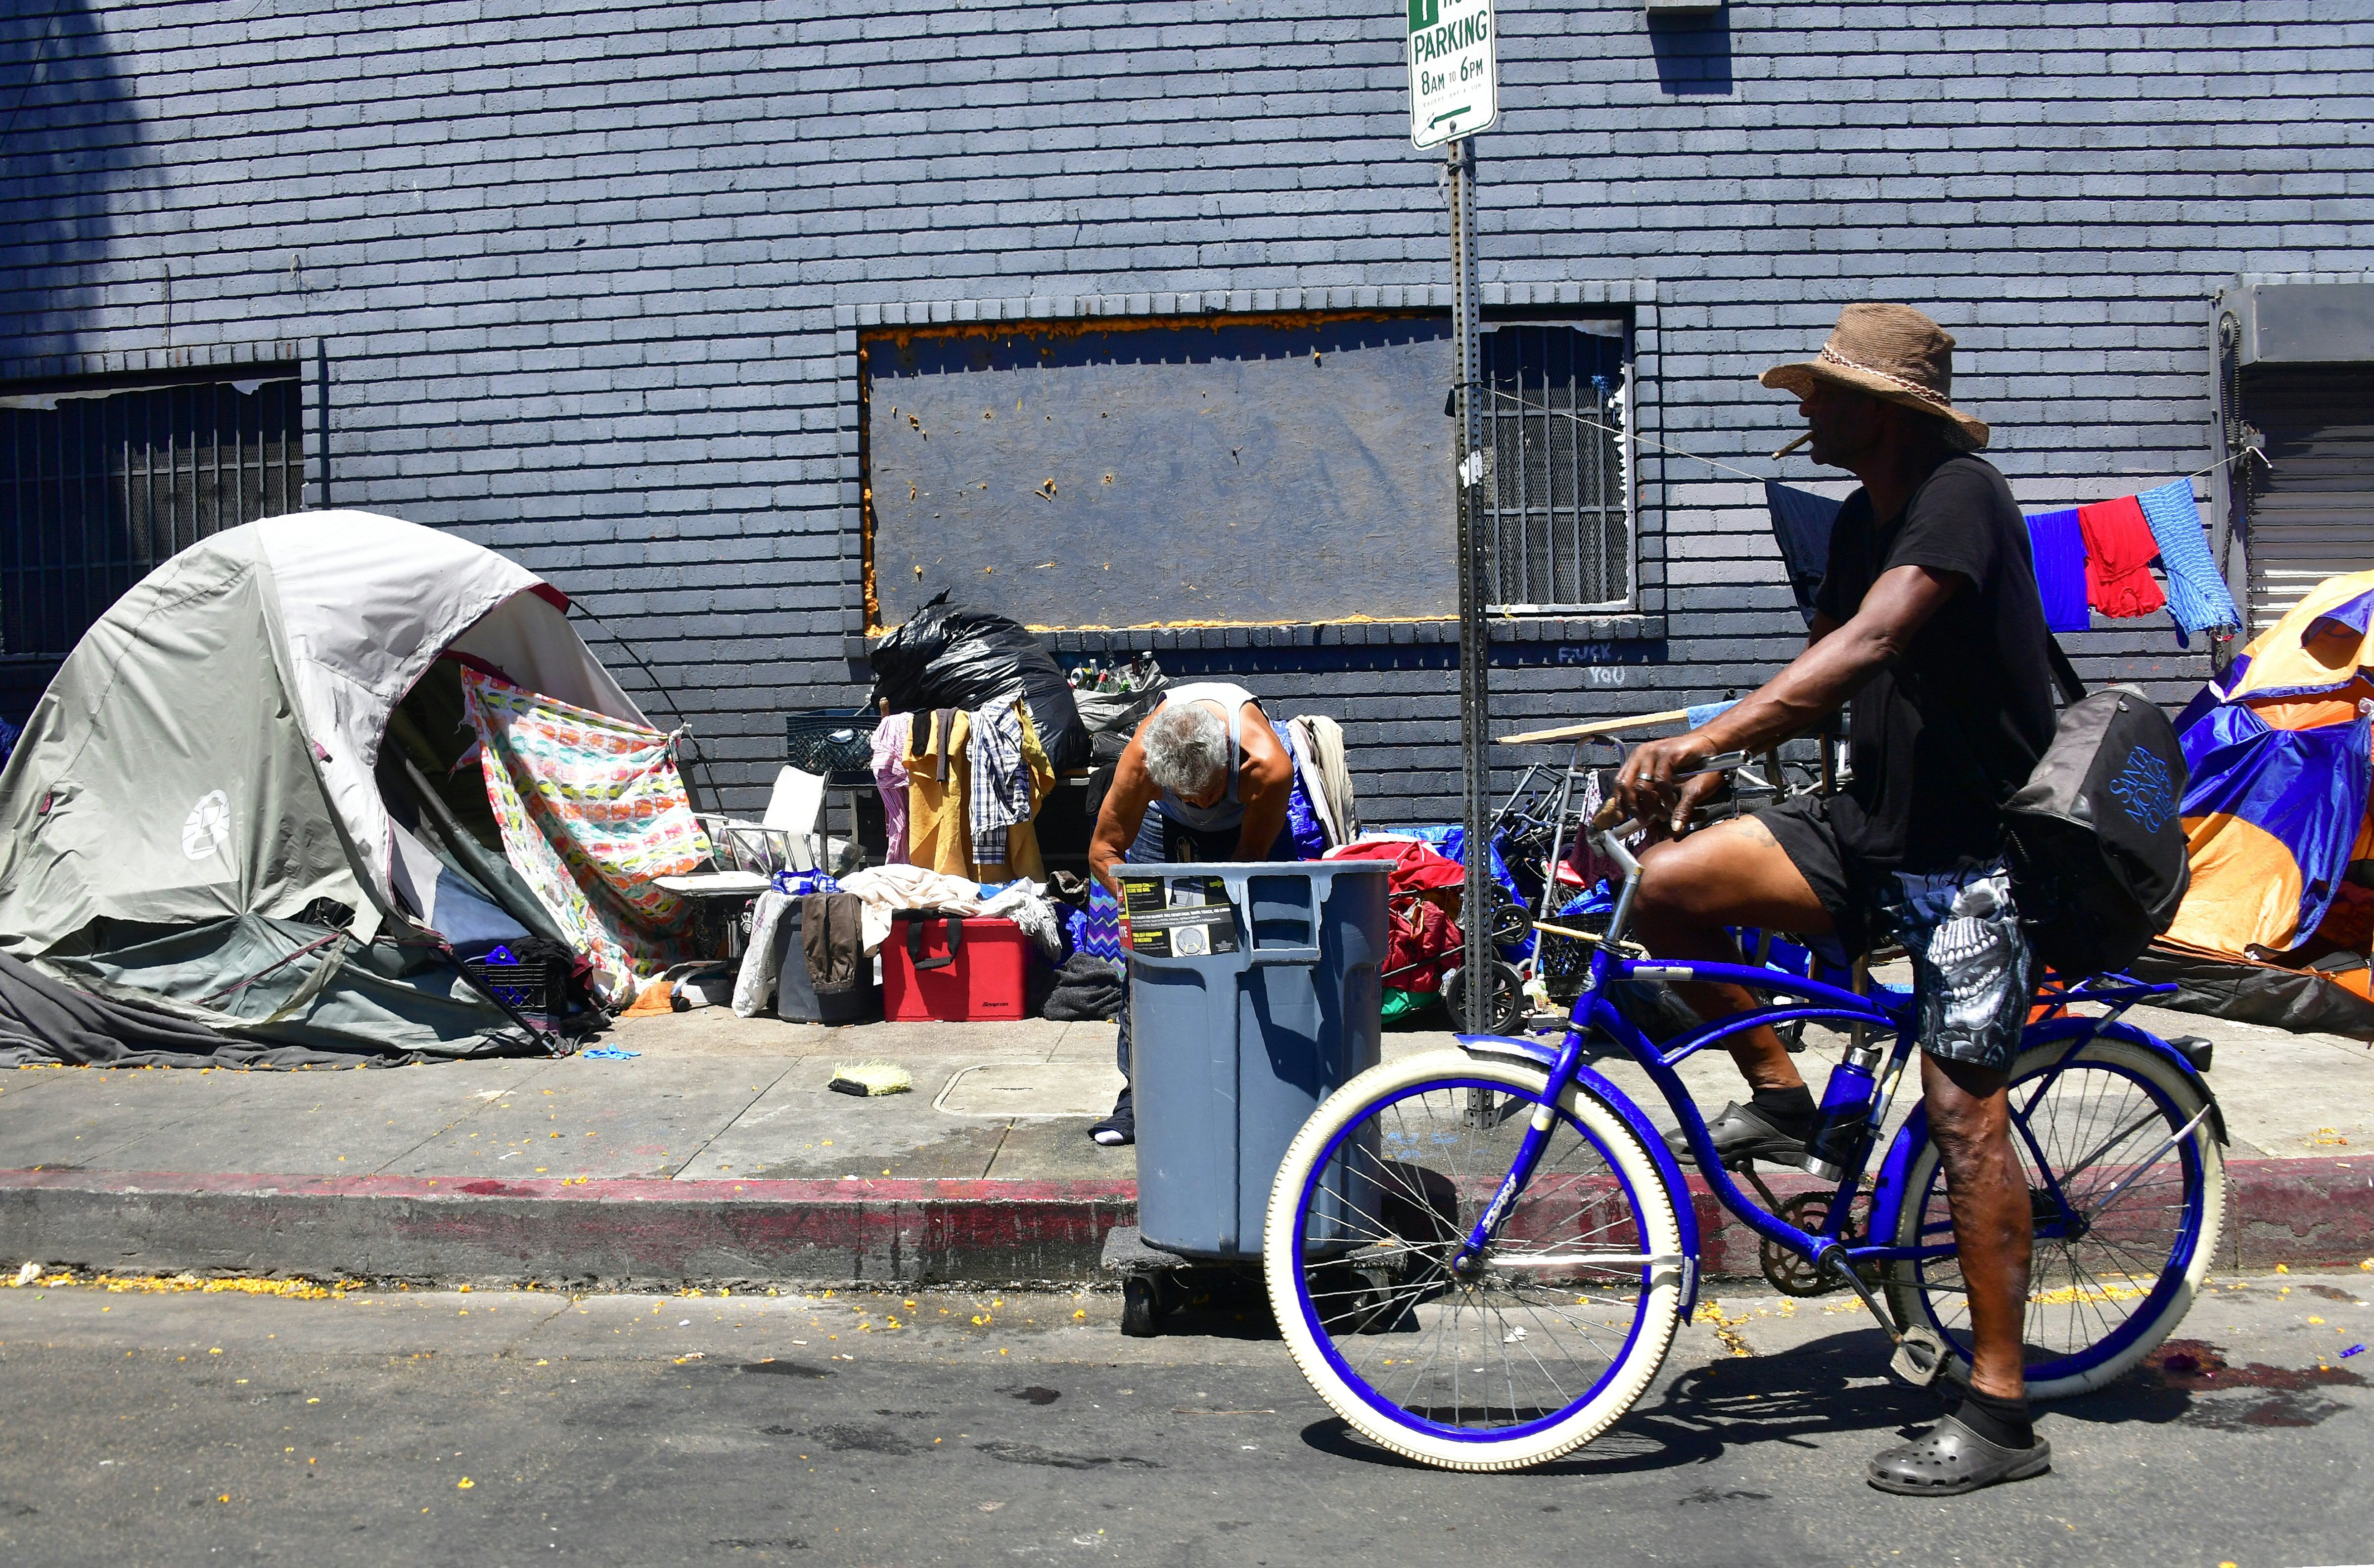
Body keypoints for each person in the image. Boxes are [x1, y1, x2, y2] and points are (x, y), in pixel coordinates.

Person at [1610, 303, 2057, 1496]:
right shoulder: (1861, 515)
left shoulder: (1958, 494)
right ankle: (1784, 1096)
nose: (1801, 410)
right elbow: (1813, 672)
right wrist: (1705, 765)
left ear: (1882, 410)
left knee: (1964, 1119)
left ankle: (2002, 1416)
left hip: (1972, 858)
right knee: (1668, 884)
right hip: (1868, 830)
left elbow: (1867, 645)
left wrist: (1702, 731)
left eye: (1820, 394)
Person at [1084, 682, 1303, 1146]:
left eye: (1207, 793)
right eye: (1186, 794)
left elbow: (1248, 862)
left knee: (1251, 950)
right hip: (1163, 827)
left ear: (1228, 761)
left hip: (1247, 830)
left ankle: (1258, 1090)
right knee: (1150, 964)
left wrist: (1206, 918)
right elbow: (1104, 852)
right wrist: (1149, 913)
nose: (1201, 805)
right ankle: (1139, 1101)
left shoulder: (1266, 766)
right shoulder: (1143, 759)